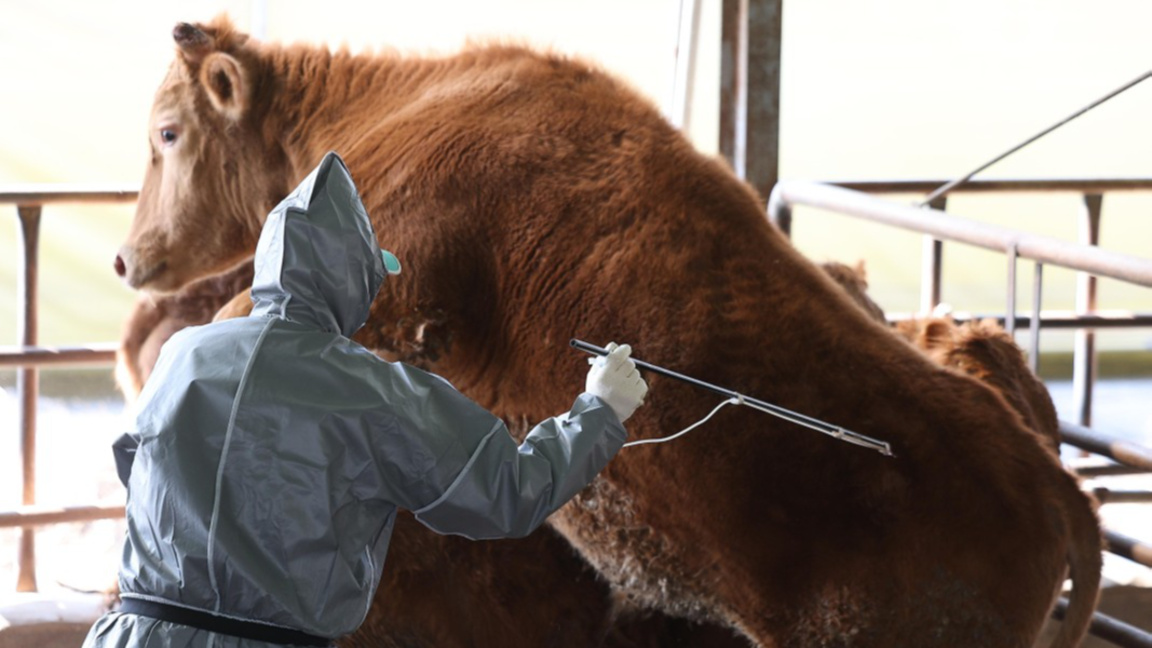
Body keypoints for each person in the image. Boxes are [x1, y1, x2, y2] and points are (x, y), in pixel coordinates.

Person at [82, 152, 648, 647]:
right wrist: (598, 409)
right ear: (351, 280)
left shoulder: (183, 355)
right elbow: (507, 493)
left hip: (133, 635)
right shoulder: (370, 389)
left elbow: (133, 461)